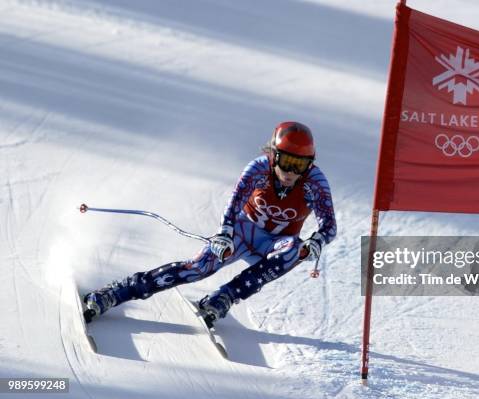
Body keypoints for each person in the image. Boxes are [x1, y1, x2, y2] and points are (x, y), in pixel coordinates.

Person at [83, 121, 337, 326]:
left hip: (275, 245)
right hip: (243, 232)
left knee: (295, 249)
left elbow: (329, 226)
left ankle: (225, 297)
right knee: (198, 269)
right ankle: (117, 292)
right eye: (287, 162)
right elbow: (234, 204)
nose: (292, 172)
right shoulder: (258, 169)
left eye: (301, 165)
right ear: (273, 154)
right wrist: (225, 233)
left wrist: (317, 240)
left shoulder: (315, 183)